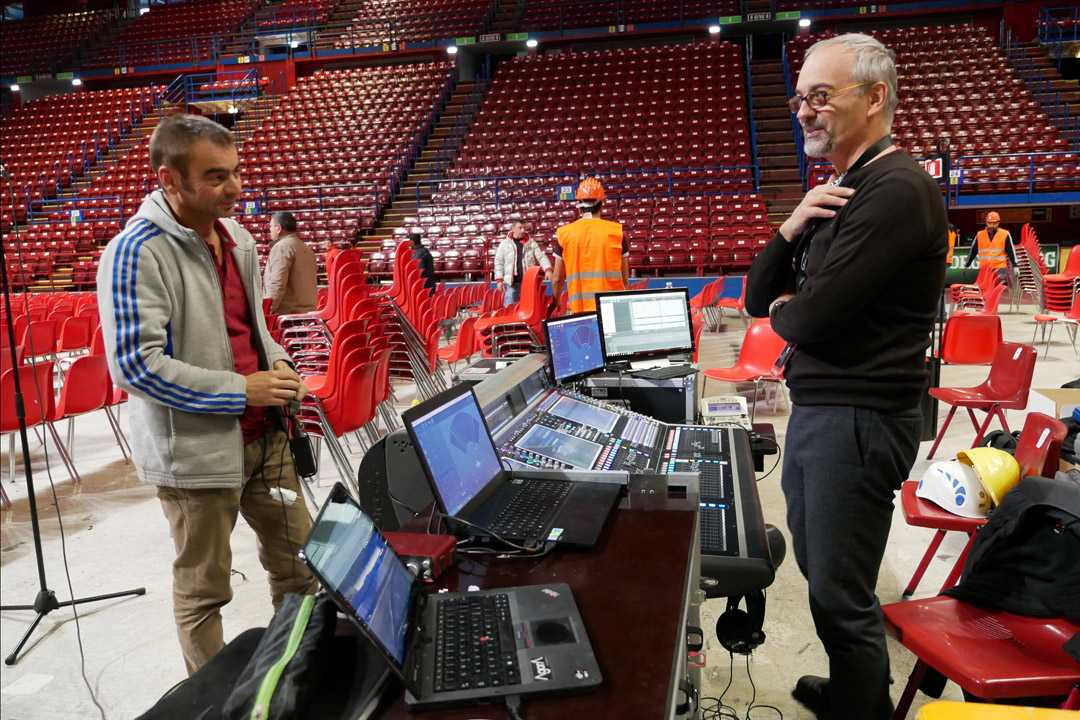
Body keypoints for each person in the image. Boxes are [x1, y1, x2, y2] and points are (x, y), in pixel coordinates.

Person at [745, 34, 947, 719]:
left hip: (860, 418)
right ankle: (853, 690)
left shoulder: (898, 190)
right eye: (801, 97)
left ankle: (863, 708)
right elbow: (759, 299)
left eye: (823, 96)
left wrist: (791, 309)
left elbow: (808, 319)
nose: (805, 110)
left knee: (840, 590)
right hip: (825, 410)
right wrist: (790, 228)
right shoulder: (840, 191)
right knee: (822, 569)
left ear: (876, 97)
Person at [96, 113, 317, 675]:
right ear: (170, 179)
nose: (235, 187)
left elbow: (251, 328)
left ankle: (291, 680)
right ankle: (214, 704)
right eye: (217, 177)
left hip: (268, 439)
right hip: (195, 456)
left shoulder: (238, 238)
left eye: (236, 172)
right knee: (204, 593)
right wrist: (241, 390)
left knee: (302, 568)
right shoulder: (134, 252)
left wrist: (278, 362)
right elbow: (135, 366)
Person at [550, 177, 629, 314]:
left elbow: (557, 279)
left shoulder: (563, 234)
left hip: (580, 310)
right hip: (612, 309)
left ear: (579, 205)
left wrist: (556, 302)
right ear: (602, 204)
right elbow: (624, 278)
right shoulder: (617, 232)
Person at [263, 211, 318, 314]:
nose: (269, 229)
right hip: (308, 313)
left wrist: (267, 311)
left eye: (271, 226)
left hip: (287, 314)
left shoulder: (281, 247)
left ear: (278, 228)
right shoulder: (306, 248)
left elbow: (277, 284)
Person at [493, 220, 552, 306]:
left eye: (524, 228)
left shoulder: (531, 243)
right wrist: (499, 280)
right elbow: (499, 262)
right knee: (510, 308)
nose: (523, 230)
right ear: (513, 229)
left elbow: (541, 257)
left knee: (529, 307)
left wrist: (548, 269)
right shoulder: (504, 244)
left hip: (529, 282)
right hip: (512, 284)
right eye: (520, 228)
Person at [964, 210, 1017, 283]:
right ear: (986, 223)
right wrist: (967, 265)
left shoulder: (1005, 234)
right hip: (984, 269)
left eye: (994, 223)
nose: (992, 225)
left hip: (1000, 269)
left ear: (998, 223)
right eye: (989, 223)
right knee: (984, 288)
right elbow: (973, 252)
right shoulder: (980, 235)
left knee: (997, 286)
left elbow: (1011, 251)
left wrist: (1015, 265)